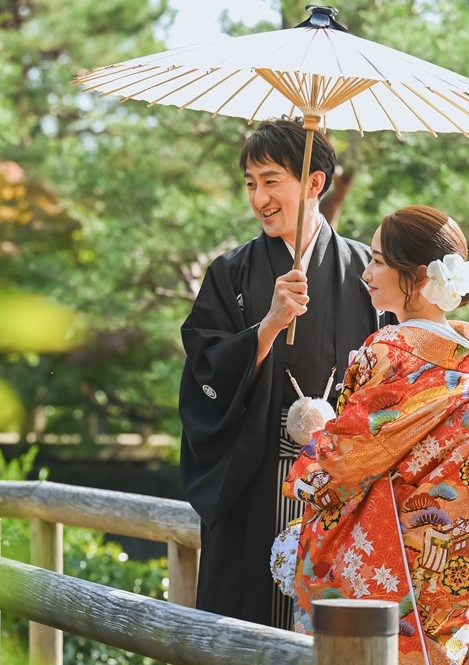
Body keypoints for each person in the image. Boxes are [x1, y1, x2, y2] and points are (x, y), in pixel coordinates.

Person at [282, 205, 469, 665]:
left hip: (383, 579)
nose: (366, 271)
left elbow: (339, 465)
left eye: (377, 260)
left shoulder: (386, 355)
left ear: (416, 277)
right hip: (451, 579)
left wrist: (316, 434)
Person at [179, 118, 387, 629]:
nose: (259, 198)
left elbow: (390, 379)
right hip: (253, 479)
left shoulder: (366, 273)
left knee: (334, 636)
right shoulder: (230, 273)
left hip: (341, 489)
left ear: (315, 182)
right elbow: (203, 371)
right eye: (251, 183)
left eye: (272, 181)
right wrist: (266, 328)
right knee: (243, 634)